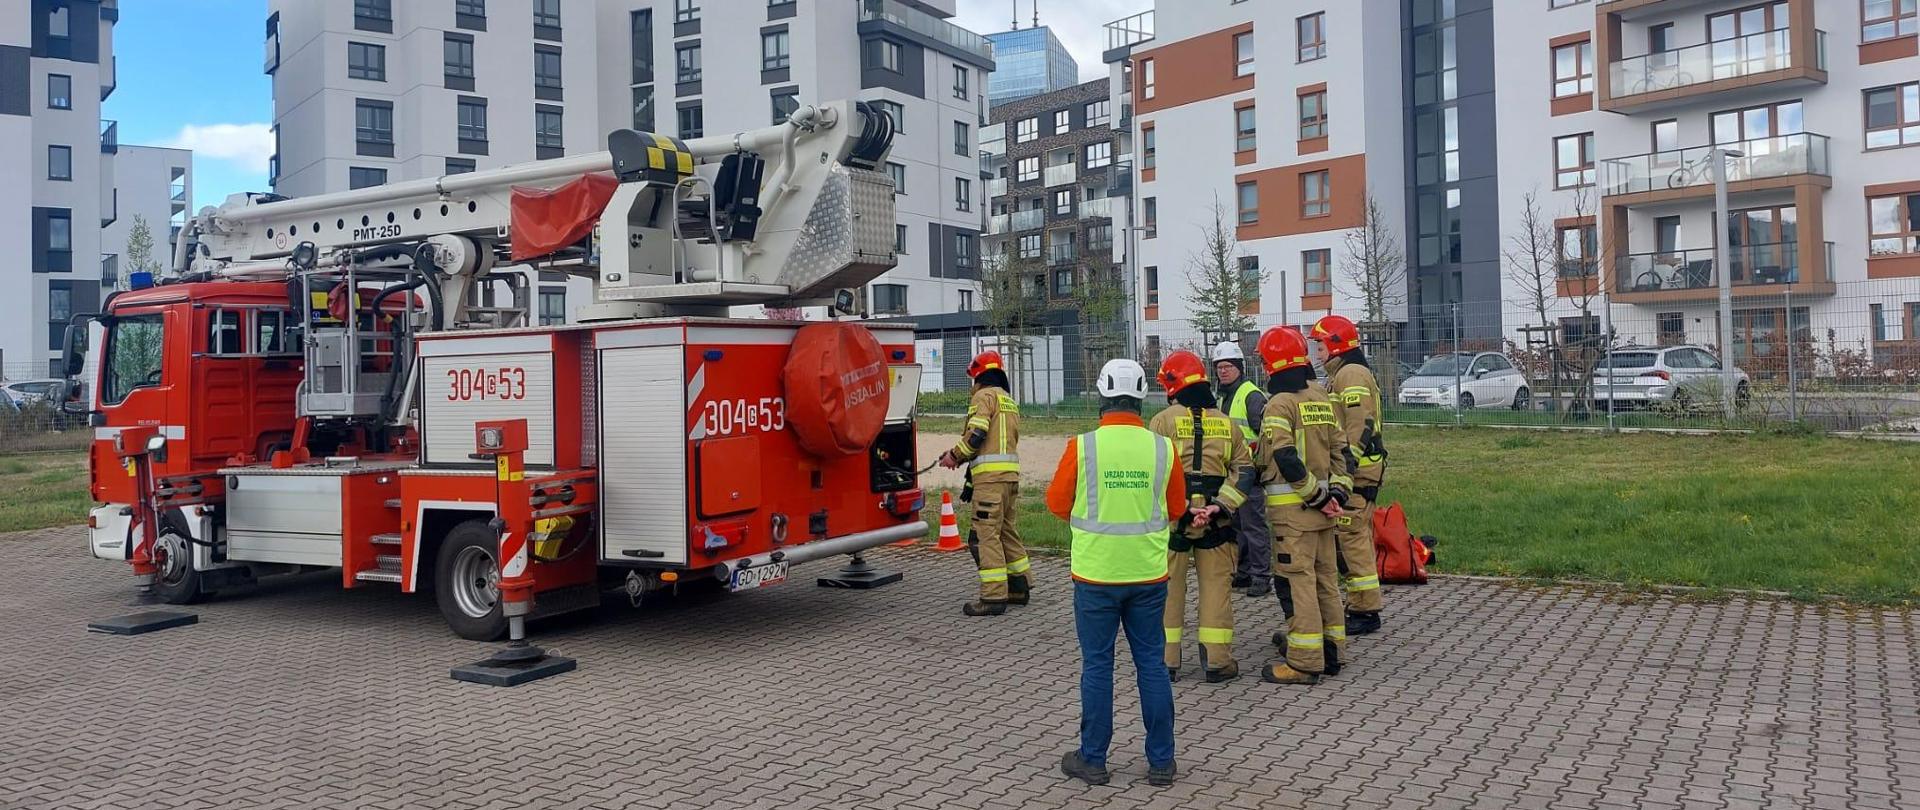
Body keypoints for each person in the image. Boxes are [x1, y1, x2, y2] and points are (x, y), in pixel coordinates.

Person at [1047, 359, 1185, 787]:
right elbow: (1178, 508)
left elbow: (1055, 503)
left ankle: (1093, 759)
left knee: (1098, 666)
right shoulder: (1163, 448)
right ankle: (1161, 763)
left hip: (1095, 577)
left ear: (1102, 398)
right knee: (1152, 665)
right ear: (1142, 398)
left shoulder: (1083, 446)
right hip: (1147, 575)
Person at [1253, 327, 1355, 685]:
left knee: (1300, 583)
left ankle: (1305, 662)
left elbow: (1284, 456)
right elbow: (1342, 453)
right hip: (1324, 514)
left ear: (1271, 364)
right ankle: (1332, 653)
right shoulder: (1320, 397)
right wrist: (1337, 496)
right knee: (1327, 579)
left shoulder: (1280, 403)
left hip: (1295, 513)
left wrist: (1315, 497)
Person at [1150, 350, 1255, 684]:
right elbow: (1245, 472)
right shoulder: (1226, 423)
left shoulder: (1163, 421)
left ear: (1172, 384)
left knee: (1167, 589)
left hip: (1173, 519)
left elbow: (1153, 471)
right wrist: (1220, 506)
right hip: (1216, 522)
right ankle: (1217, 661)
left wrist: (1181, 507)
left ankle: (1166, 662)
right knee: (1216, 589)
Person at [1309, 315, 1388, 636]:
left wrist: (1346, 467)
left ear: (1336, 344)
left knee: (1352, 537)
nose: (1317, 353)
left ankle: (1365, 609)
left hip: (1359, 472)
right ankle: (1360, 601)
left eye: (1320, 345)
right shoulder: (1342, 374)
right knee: (1354, 536)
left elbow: (1359, 423)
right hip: (1359, 470)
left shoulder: (1351, 374)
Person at [939, 351, 1028, 616]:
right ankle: (1019, 587)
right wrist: (967, 475)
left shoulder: (983, 396)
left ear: (979, 375)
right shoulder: (1007, 399)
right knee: (1006, 531)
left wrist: (953, 456)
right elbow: (993, 443)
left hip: (990, 481)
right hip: (1009, 479)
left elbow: (977, 434)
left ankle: (993, 597)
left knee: (983, 536)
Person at [1212, 340, 1272, 598]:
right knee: (1238, 527)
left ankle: (1261, 576)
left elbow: (1267, 436)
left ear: (1239, 368)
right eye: (1219, 367)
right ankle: (1245, 572)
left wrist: (1259, 466)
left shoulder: (1251, 395)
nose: (1223, 371)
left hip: (1251, 474)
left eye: (1228, 366)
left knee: (1254, 526)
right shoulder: (1221, 396)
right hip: (1231, 475)